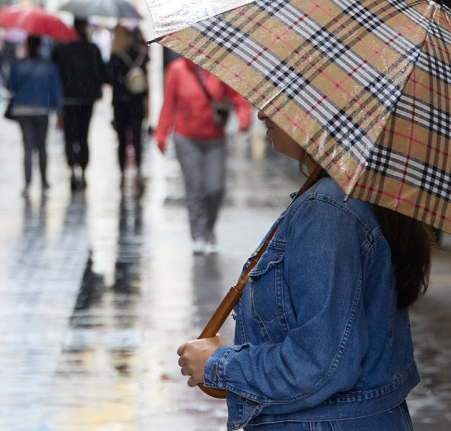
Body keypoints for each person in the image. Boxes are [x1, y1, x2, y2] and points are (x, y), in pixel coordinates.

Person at [178, 110, 432, 430]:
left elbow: (317, 366)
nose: (262, 112)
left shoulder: (327, 210)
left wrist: (219, 365)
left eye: (282, 100)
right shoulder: (341, 198)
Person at [153, 56, 250, 254]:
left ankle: (208, 227)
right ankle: (197, 235)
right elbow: (169, 103)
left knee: (215, 188)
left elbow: (237, 97)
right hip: (186, 139)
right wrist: (161, 134)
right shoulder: (177, 69)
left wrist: (244, 117)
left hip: (215, 140)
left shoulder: (220, 67)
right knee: (195, 186)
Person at [50, 16, 105, 191]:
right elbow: (100, 74)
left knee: (69, 135)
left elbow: (54, 74)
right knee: (83, 134)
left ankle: (73, 167)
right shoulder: (92, 49)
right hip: (86, 99)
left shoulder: (60, 48)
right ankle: (82, 167)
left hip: (67, 98)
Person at [7, 34, 64, 196]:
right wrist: (59, 112)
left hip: (23, 109)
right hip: (42, 109)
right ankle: (44, 180)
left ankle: (27, 182)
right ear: (40, 46)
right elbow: (56, 90)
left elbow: (11, 86)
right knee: (42, 146)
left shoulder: (18, 65)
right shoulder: (49, 66)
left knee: (27, 147)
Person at [107, 25, 149, 180]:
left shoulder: (115, 56)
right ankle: (138, 167)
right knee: (137, 137)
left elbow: (109, 79)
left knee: (122, 139)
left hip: (120, 103)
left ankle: (122, 171)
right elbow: (146, 83)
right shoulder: (141, 54)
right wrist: (147, 105)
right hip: (137, 102)